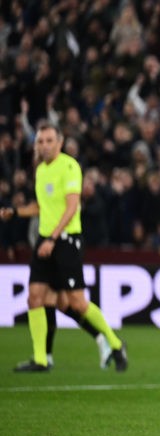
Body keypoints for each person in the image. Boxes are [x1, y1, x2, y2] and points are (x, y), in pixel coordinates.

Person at [0, 123, 128, 372]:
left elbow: (71, 208)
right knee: (35, 297)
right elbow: (41, 207)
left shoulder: (69, 166)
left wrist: (52, 239)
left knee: (77, 302)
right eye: (40, 141)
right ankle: (40, 359)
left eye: (49, 140)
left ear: (59, 142)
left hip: (66, 240)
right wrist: (15, 212)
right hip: (45, 239)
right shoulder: (40, 170)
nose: (44, 145)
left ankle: (114, 343)